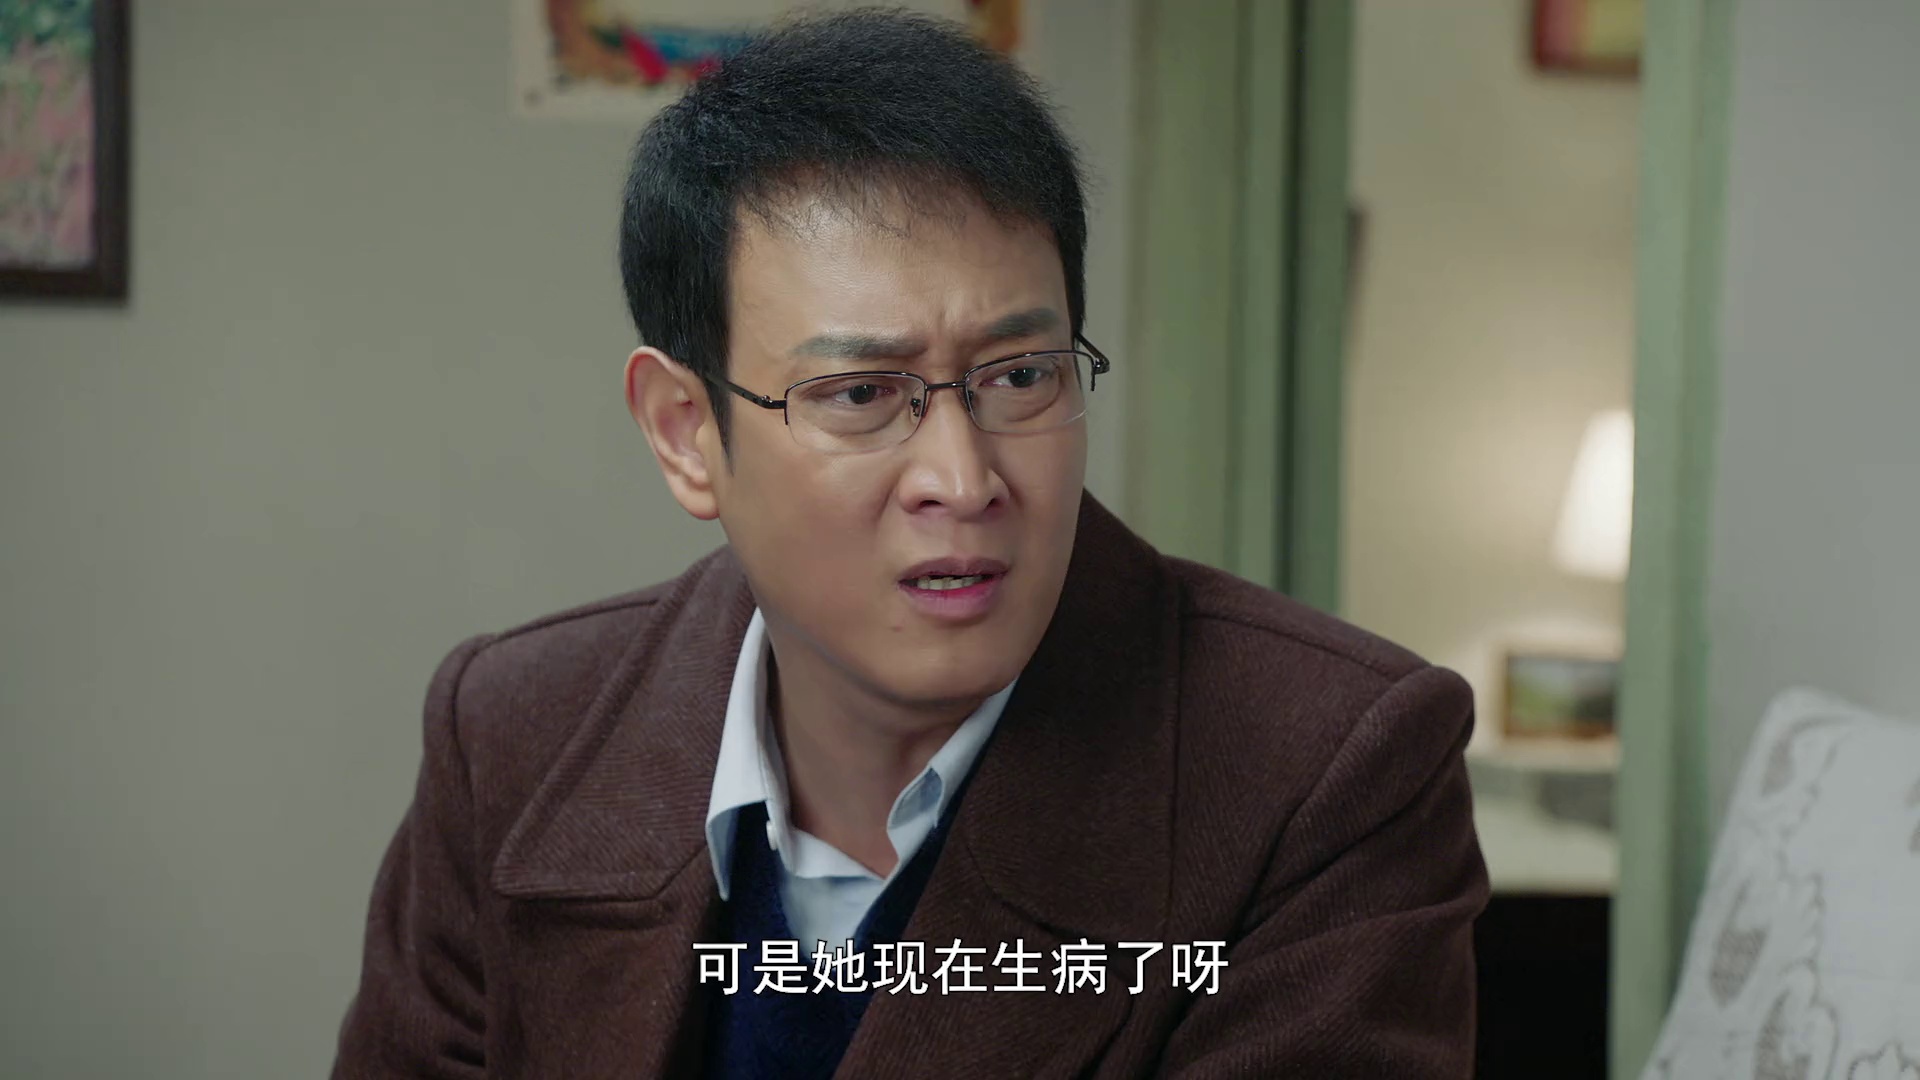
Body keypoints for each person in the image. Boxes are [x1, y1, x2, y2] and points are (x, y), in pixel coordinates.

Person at [333, 9, 1487, 1078]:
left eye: (1022, 376)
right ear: (687, 433)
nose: (963, 480)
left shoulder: (1329, 771)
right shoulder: (518, 733)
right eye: (860, 394)